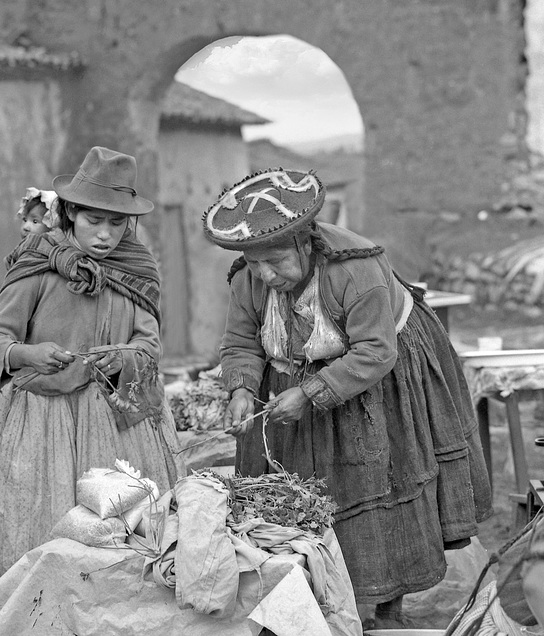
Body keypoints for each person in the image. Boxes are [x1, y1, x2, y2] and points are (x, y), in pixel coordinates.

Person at [202, 168, 493, 628]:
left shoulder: (356, 271)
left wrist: (313, 389)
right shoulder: (249, 278)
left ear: (305, 241)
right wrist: (240, 388)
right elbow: (242, 342)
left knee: (380, 476)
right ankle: (309, 597)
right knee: (295, 489)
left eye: (275, 260)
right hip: (299, 372)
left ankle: (387, 604)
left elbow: (376, 351)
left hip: (381, 371)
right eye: (254, 262)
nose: (265, 274)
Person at [0, 147, 185, 574]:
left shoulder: (137, 271)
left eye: (117, 223)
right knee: (47, 535)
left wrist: (122, 357)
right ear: (69, 212)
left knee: (127, 538)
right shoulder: (37, 265)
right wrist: (29, 353)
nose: (106, 234)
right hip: (45, 420)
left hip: (120, 424)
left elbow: (150, 347)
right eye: (93, 221)